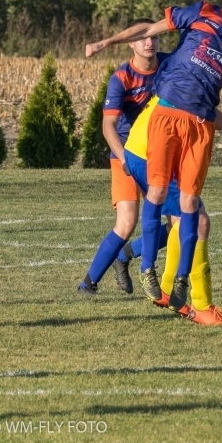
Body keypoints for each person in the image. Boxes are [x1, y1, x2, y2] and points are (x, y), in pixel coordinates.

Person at [86, 0, 222, 313]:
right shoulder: (203, 12)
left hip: (201, 124)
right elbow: (148, 29)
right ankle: (147, 269)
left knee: (190, 205)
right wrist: (106, 42)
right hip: (164, 117)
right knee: (161, 195)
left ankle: (178, 281)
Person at [122, 96, 222, 325]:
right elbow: (203, 110)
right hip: (150, 152)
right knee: (198, 222)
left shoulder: (184, 78)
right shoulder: (198, 79)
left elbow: (201, 109)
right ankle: (201, 305)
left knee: (180, 221)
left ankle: (167, 290)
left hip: (141, 149)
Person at [78, 19, 170, 295]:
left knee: (180, 221)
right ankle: (88, 285)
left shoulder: (169, 64)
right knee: (127, 222)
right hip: (126, 156)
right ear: (130, 42)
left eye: (153, 37)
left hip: (160, 156)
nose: (149, 42)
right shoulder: (121, 78)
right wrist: (124, 157)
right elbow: (108, 126)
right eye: (141, 37)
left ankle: (125, 254)